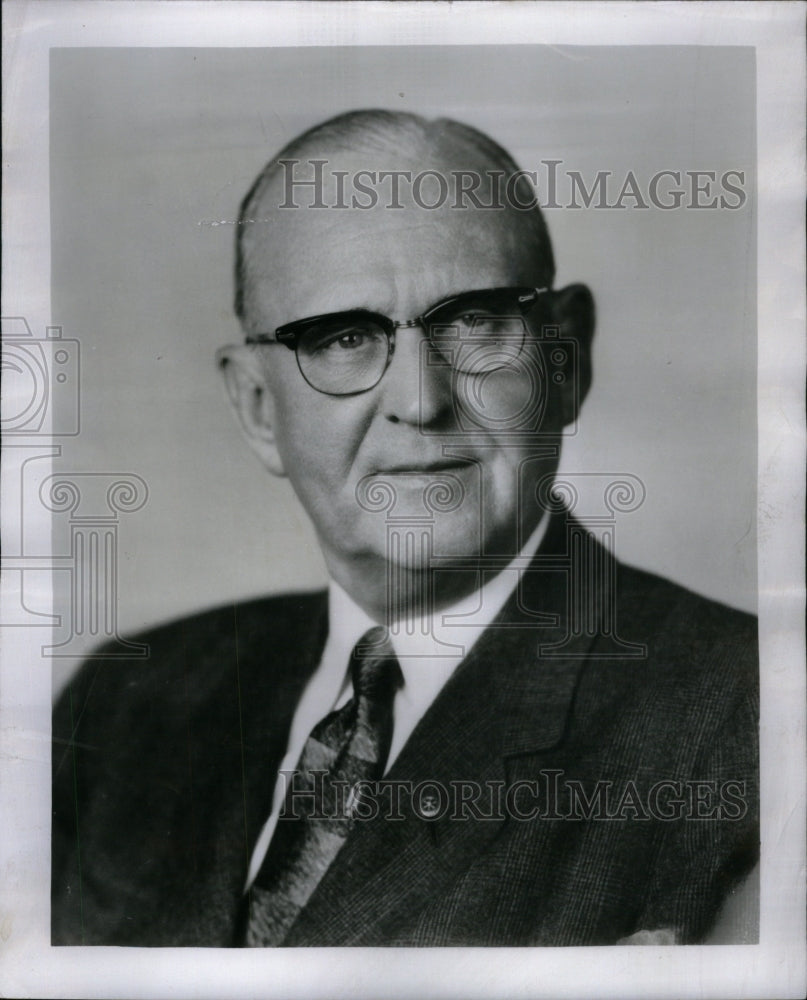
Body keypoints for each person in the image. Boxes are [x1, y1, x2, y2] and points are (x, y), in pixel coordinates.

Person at [51, 109, 758, 947]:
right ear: (256, 409)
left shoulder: (751, 722)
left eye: (473, 322)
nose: (420, 402)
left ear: (565, 359)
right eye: (343, 338)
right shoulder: (128, 705)